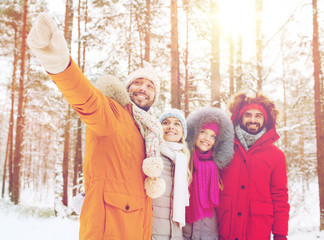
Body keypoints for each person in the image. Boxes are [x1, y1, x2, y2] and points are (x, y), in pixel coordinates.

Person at [27, 13, 166, 240]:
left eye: (150, 86)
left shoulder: (149, 131)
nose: (143, 88)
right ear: (127, 88)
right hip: (107, 231)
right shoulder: (111, 112)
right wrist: (59, 63)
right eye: (138, 82)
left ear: (154, 96)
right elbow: (84, 97)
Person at [216, 90, 290, 240]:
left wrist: (280, 234)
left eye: (258, 115)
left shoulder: (276, 155)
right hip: (224, 230)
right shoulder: (223, 146)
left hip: (258, 231)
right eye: (248, 115)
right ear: (239, 117)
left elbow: (280, 196)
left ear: (266, 119)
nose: (253, 120)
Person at [183, 107, 234, 240]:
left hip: (209, 231)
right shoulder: (184, 160)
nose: (207, 138)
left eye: (213, 136)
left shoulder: (217, 167)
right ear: (194, 133)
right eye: (203, 132)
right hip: (184, 230)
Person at [152, 109, 191, 239]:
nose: (171, 127)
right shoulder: (151, 154)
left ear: (182, 133)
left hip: (175, 233)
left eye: (177, 124)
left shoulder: (182, 159)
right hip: (151, 231)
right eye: (166, 122)